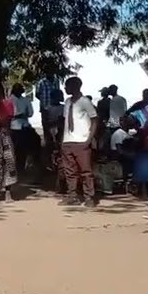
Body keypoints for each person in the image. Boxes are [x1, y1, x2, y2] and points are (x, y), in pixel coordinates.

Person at [61, 76, 98, 207]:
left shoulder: (85, 102)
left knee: (85, 170)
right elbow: (65, 121)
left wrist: (89, 139)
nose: (65, 89)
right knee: (69, 171)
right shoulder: (67, 102)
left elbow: (94, 119)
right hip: (68, 140)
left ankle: (89, 197)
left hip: (81, 140)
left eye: (67, 86)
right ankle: (72, 195)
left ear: (76, 87)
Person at [9, 83, 35, 176]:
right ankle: (13, 169)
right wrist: (19, 114)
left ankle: (21, 169)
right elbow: (10, 114)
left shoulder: (26, 100)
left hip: (24, 126)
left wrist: (24, 114)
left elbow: (31, 113)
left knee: (24, 149)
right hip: (14, 127)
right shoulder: (10, 100)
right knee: (14, 149)